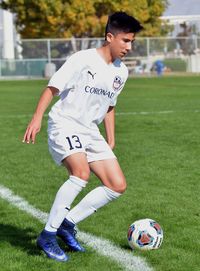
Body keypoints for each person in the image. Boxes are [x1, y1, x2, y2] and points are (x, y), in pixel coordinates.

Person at [23, 11, 143, 262]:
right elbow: (52, 89)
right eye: (125, 41)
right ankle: (48, 235)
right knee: (80, 173)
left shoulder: (121, 72)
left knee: (117, 185)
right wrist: (36, 118)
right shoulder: (83, 59)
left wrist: (110, 139)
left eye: (132, 42)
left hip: (90, 130)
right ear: (110, 37)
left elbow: (110, 106)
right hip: (65, 124)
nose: (129, 47)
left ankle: (68, 223)